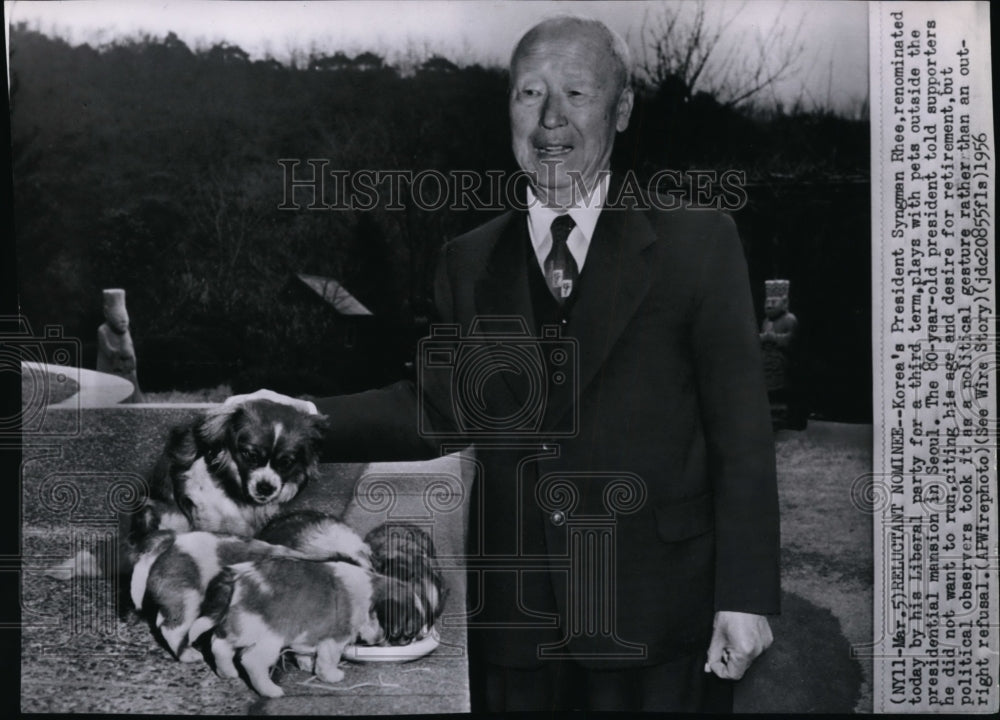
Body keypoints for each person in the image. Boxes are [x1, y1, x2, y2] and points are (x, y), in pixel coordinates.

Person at [230, 15, 779, 712]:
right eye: (529, 94)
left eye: (577, 93)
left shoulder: (699, 246)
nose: (551, 119)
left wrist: (745, 595)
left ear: (622, 108)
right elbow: (436, 404)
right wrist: (299, 418)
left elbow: (743, 437)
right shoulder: (467, 259)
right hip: (516, 630)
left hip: (657, 618)